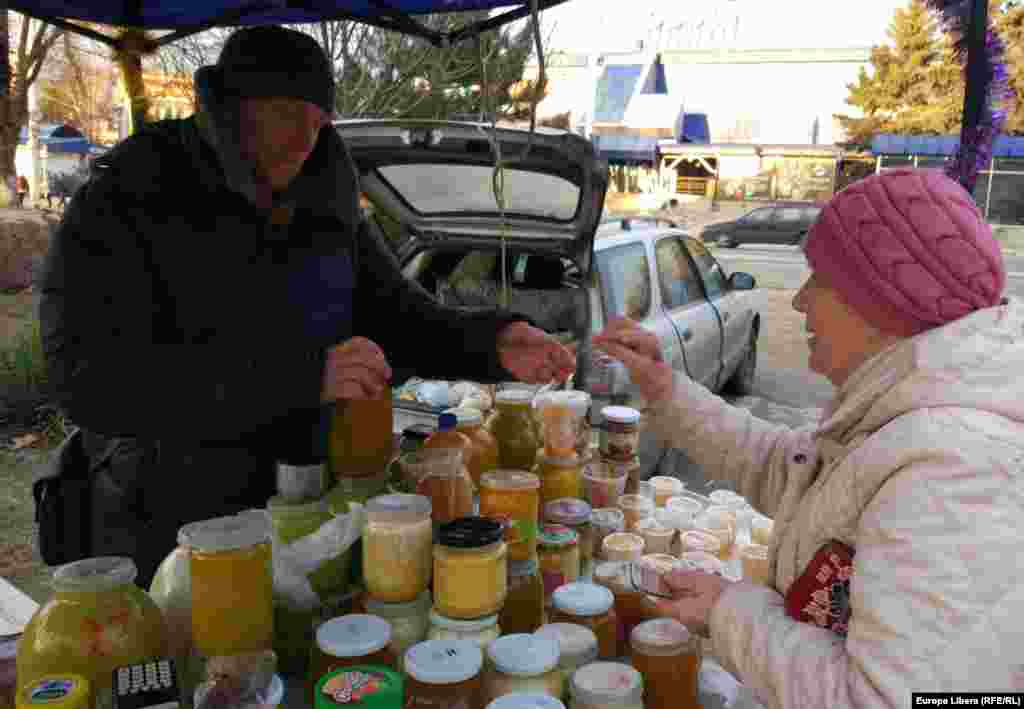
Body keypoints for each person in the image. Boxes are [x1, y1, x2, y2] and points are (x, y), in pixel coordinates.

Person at [37, 26, 574, 587]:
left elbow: (400, 320)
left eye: (318, 123)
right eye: (287, 115)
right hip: (172, 527)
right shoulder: (130, 194)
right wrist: (301, 378)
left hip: (304, 508)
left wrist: (495, 342)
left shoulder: (325, 197)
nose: (304, 140)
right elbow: (89, 380)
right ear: (231, 107)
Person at [591, 168, 1024, 705]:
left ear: (879, 302)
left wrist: (729, 613)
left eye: (818, 278)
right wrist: (663, 387)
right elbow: (792, 472)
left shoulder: (957, 467)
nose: (799, 301)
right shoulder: (911, 408)